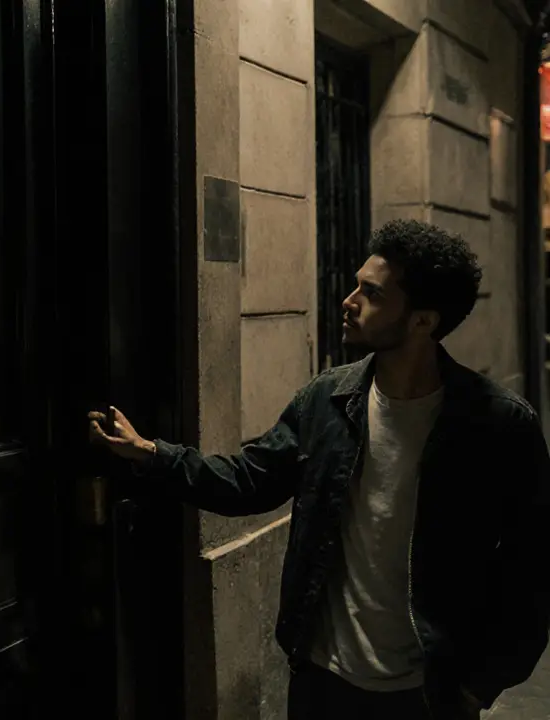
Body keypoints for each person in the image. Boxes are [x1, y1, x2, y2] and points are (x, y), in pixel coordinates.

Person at [88, 219, 550, 720]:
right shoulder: (328, 399)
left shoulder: (498, 425)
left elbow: (532, 569)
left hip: (428, 693)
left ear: (423, 321)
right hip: (322, 682)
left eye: (371, 293)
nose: (349, 300)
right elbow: (251, 480)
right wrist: (151, 453)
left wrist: (477, 687)